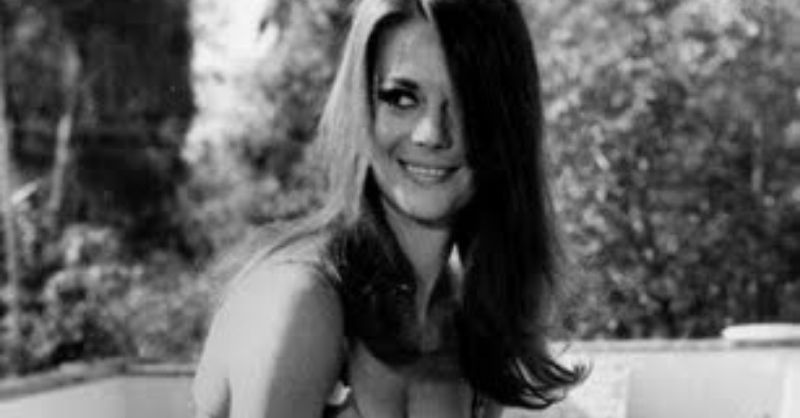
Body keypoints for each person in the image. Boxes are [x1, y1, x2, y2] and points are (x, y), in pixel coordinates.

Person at [192, 0, 586, 416]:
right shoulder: (299, 302)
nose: (432, 133)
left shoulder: (472, 326)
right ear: (361, 107)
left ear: (507, 122)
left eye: (466, 102)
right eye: (401, 98)